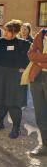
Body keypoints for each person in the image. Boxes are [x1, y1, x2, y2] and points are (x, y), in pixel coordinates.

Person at [0, 20, 31, 139]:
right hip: (0, 74)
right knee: (0, 100)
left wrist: (24, 68)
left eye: (9, 31)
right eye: (5, 30)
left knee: (14, 103)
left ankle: (16, 127)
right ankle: (0, 122)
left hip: (15, 76)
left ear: (16, 32)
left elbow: (30, 59)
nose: (5, 33)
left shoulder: (24, 44)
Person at [28, 28, 47, 157]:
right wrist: (41, 61)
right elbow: (31, 54)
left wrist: (40, 60)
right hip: (37, 77)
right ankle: (45, 145)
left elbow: (36, 56)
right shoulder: (42, 33)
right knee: (40, 114)